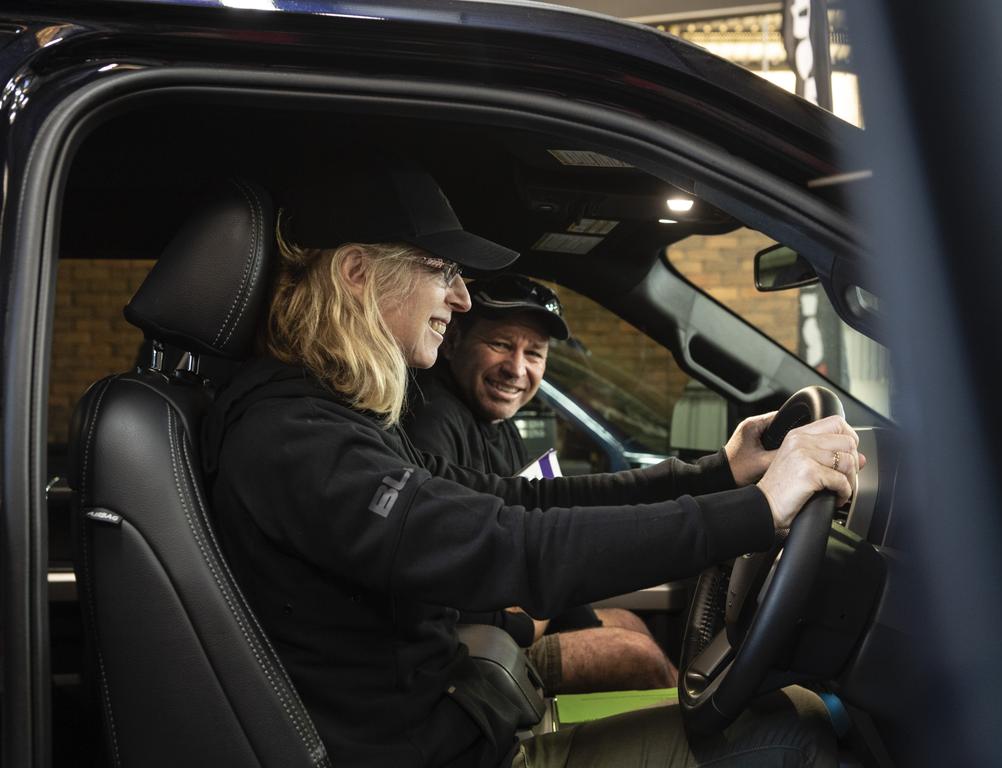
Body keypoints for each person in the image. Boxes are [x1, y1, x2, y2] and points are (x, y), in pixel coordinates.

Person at [202, 155, 863, 767]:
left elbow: (520, 504)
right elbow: (511, 547)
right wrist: (757, 511)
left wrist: (719, 475)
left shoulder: (329, 423)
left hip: (461, 733)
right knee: (791, 729)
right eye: (442, 268)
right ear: (356, 273)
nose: (459, 299)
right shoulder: (297, 441)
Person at [405, 273, 677, 693]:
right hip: (473, 648)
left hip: (512, 618)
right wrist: (528, 621)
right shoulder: (433, 418)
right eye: (499, 344)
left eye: (534, 353)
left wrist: (566, 614)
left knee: (629, 624)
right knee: (638, 659)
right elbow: (440, 575)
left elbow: (539, 528)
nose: (516, 369)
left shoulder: (498, 423)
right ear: (455, 340)